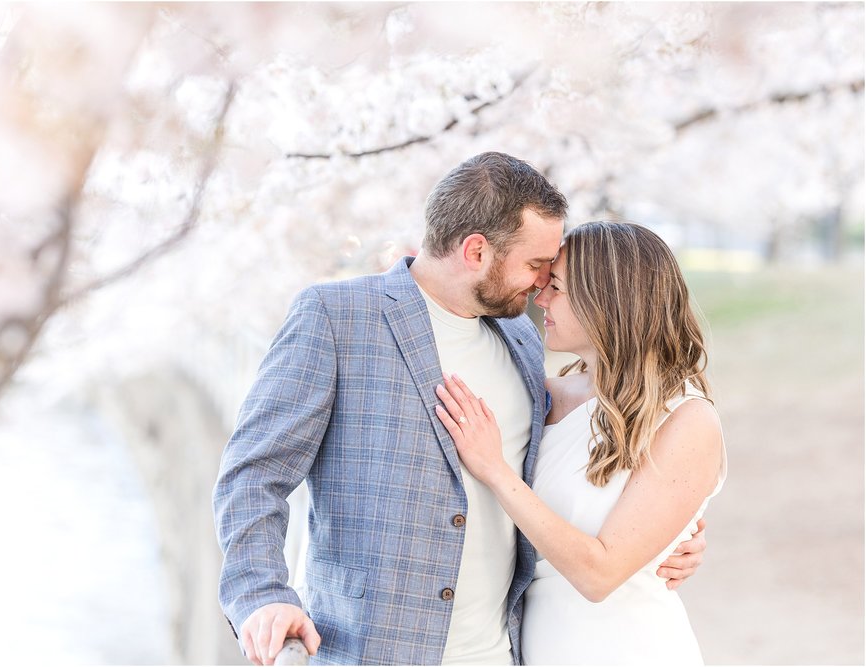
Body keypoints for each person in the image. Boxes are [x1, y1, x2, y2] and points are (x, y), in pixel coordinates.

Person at [214, 153, 707, 666]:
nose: (542, 284)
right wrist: (262, 594)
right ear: (476, 250)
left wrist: (670, 532)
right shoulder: (337, 319)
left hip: (506, 653)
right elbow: (254, 473)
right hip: (371, 652)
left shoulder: (521, 337)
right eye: (536, 264)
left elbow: (585, 470)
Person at [434, 221, 726, 665]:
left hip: (630, 648)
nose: (541, 297)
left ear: (607, 302)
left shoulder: (686, 418)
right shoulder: (540, 395)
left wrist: (494, 469)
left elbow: (599, 574)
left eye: (558, 287)